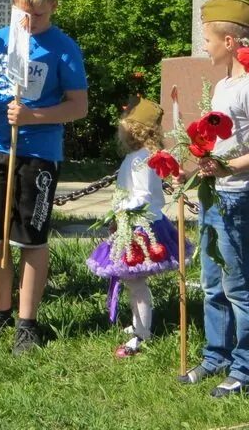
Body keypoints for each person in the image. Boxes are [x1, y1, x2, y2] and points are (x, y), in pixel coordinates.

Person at [0, 0, 88, 354]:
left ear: (52, 7)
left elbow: (78, 106)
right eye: (24, 13)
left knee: (30, 238)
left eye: (39, 14)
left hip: (38, 152)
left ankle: (27, 322)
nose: (31, 21)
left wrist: (33, 116)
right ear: (14, 6)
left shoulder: (63, 47)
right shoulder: (1, 40)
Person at [179, 0, 249, 397]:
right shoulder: (222, 85)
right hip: (212, 193)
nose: (203, 45)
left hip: (237, 196)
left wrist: (229, 168)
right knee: (211, 281)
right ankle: (215, 354)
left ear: (229, 42)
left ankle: (243, 366)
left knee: (237, 284)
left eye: (207, 38)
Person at [86, 97, 190, 357]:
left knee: (136, 284)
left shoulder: (139, 159)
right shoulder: (146, 156)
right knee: (135, 282)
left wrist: (119, 211)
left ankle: (142, 333)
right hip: (143, 222)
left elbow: (142, 196)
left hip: (140, 227)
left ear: (133, 129)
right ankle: (137, 323)